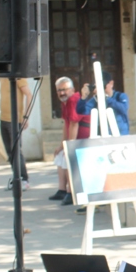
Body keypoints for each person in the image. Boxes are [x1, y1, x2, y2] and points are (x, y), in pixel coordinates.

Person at [49, 77, 85, 206]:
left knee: (67, 160)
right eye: (59, 90)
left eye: (64, 90)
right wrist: (62, 145)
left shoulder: (74, 100)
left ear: (72, 90)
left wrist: (70, 146)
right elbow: (67, 124)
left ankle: (71, 192)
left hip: (84, 139)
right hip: (75, 139)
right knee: (60, 156)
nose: (61, 93)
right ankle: (62, 190)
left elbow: (74, 124)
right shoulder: (65, 102)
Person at [0, 77, 33, 192]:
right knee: (9, 151)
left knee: (16, 150)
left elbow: (29, 95)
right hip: (3, 118)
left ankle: (24, 179)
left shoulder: (18, 77)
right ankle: (16, 178)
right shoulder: (2, 77)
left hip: (14, 120)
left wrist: (26, 116)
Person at [78, 70, 130, 135]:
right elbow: (81, 112)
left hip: (121, 135)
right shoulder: (96, 99)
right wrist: (83, 98)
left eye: (103, 85)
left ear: (111, 83)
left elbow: (123, 109)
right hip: (104, 136)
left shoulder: (120, 96)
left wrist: (106, 97)